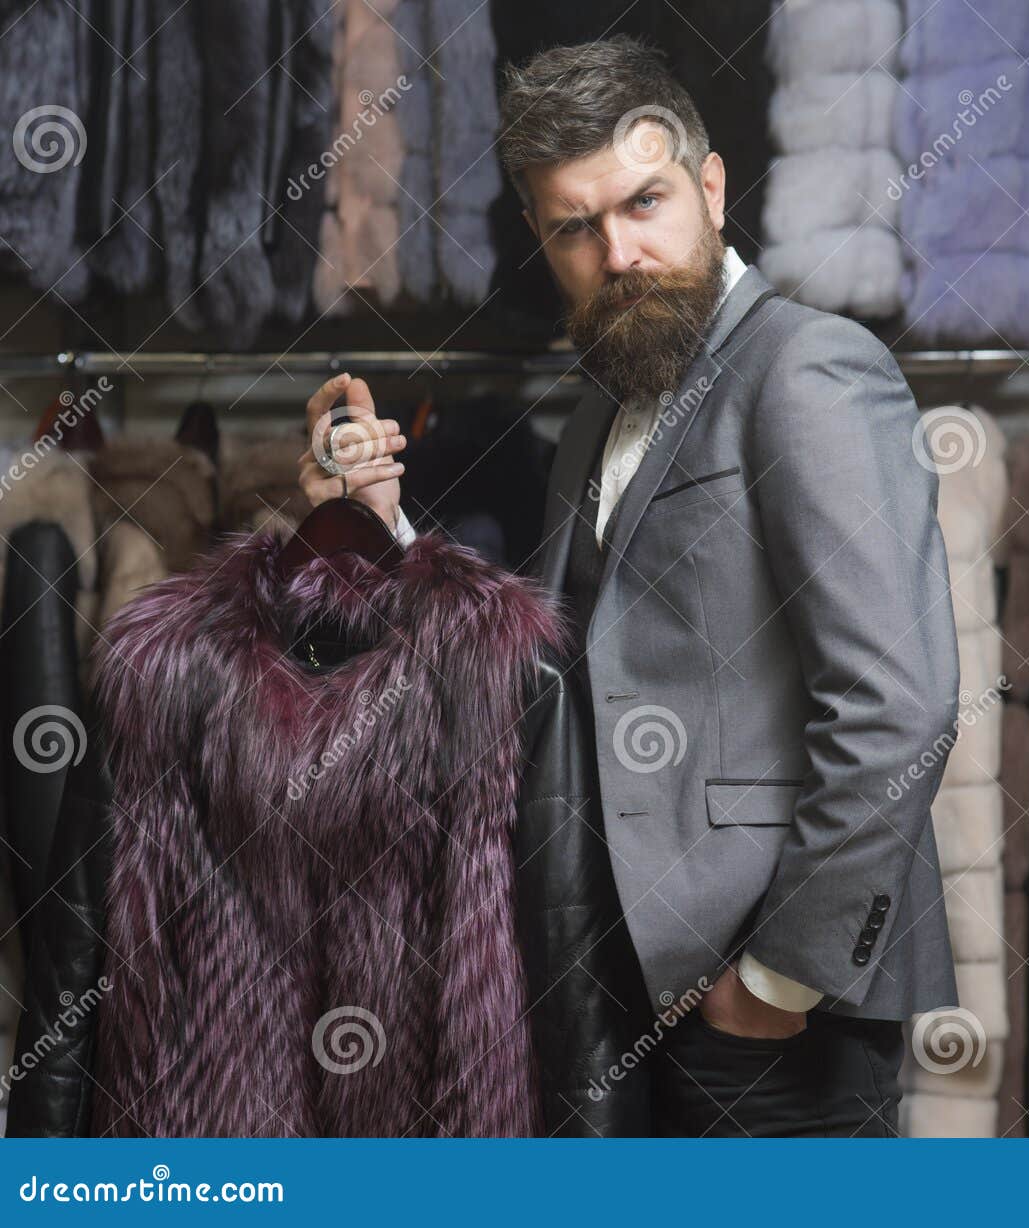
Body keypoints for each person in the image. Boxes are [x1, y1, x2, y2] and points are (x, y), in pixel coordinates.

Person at [298, 36, 962, 1137]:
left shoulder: (809, 370)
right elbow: (550, 664)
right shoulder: (602, 409)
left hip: (764, 1013)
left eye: (645, 203)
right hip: (612, 988)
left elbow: (899, 706)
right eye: (577, 226)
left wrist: (778, 981)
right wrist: (381, 527)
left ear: (709, 188)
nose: (621, 252)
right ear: (541, 238)